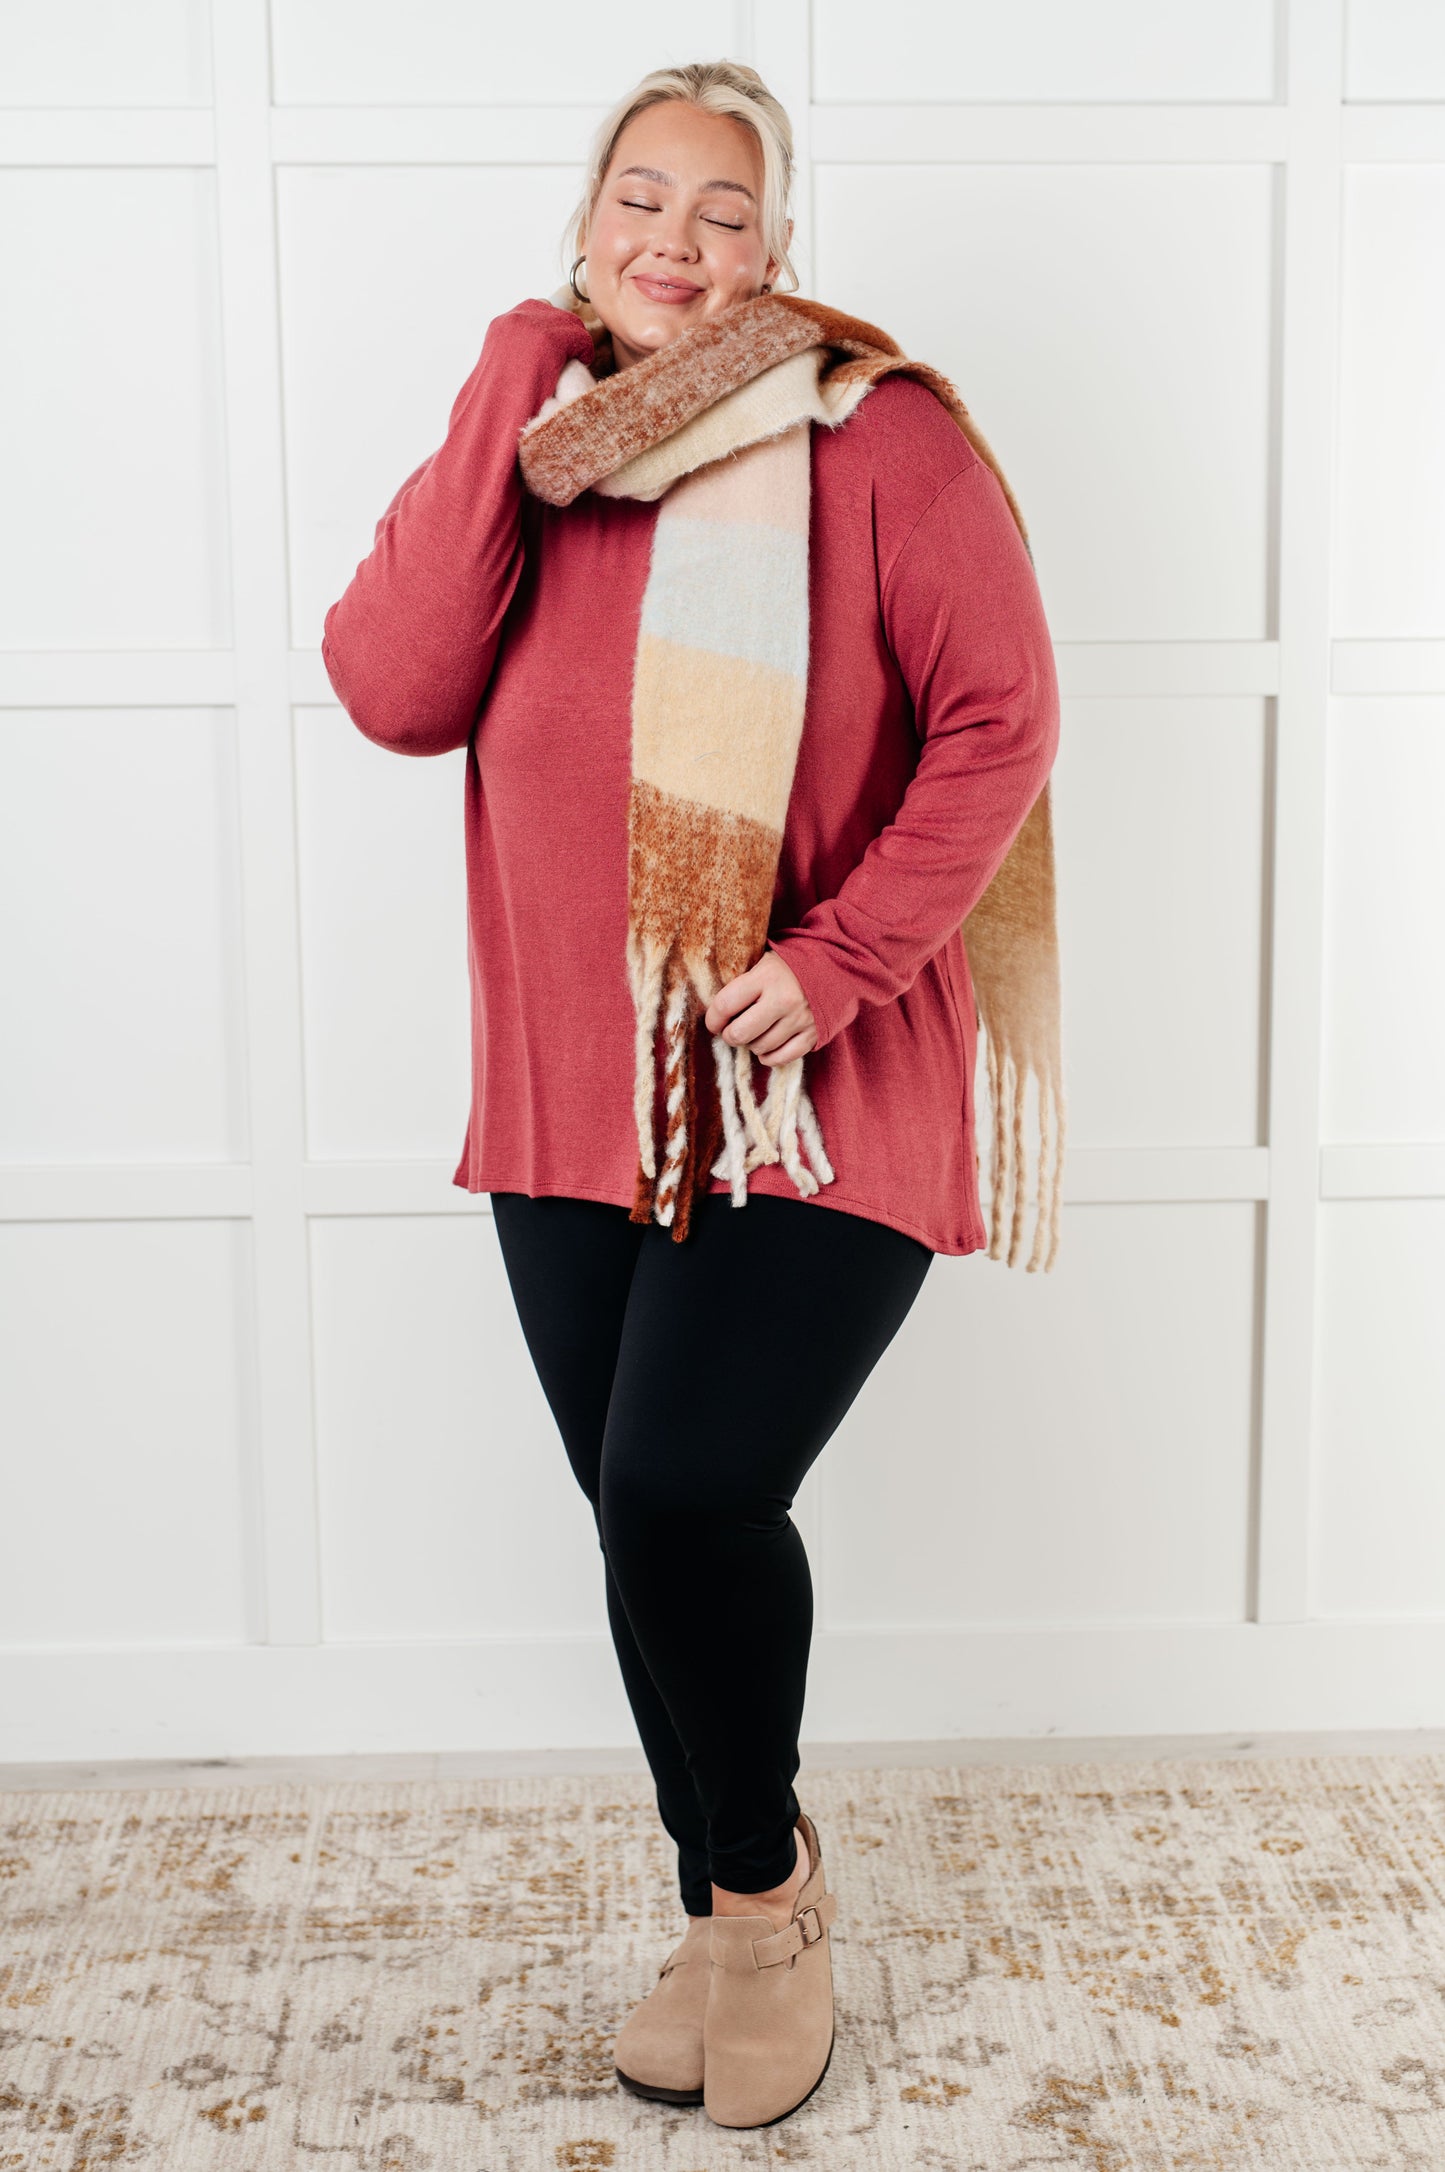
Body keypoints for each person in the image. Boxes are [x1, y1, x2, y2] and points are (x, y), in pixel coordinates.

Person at [322, 58, 1060, 2135]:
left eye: (721, 211)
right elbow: (393, 687)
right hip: (579, 1085)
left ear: (777, 246)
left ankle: (760, 1896)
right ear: (581, 233)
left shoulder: (871, 434)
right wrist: (499, 381)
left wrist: (830, 968)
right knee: (640, 1526)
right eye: (637, 199)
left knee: (682, 1494)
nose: (675, 238)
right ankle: (743, 1902)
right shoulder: (539, 457)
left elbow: (1004, 722)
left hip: (814, 1080)